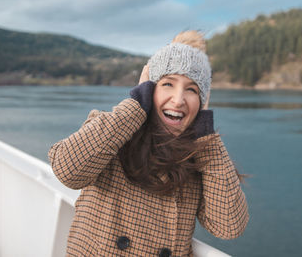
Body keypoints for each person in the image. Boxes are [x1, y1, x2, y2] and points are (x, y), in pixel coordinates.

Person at [48, 30, 249, 256]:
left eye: (192, 89)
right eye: (168, 84)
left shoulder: (201, 156)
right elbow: (66, 171)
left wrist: (205, 133)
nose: (179, 99)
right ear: (150, 88)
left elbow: (229, 227)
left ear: (202, 101)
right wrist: (135, 106)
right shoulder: (113, 131)